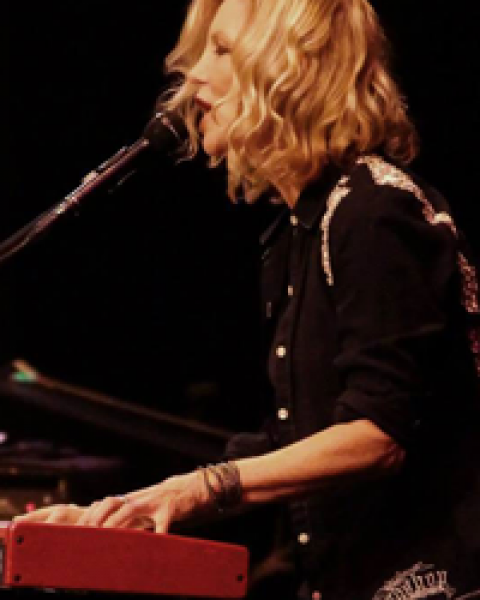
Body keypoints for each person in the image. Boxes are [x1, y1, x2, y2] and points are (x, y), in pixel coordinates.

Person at [16, 0, 480, 598]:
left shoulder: (372, 211)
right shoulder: (298, 228)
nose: (193, 77)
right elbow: (298, 440)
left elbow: (377, 433)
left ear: (291, 72)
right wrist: (119, 512)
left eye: (222, 51)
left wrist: (195, 489)